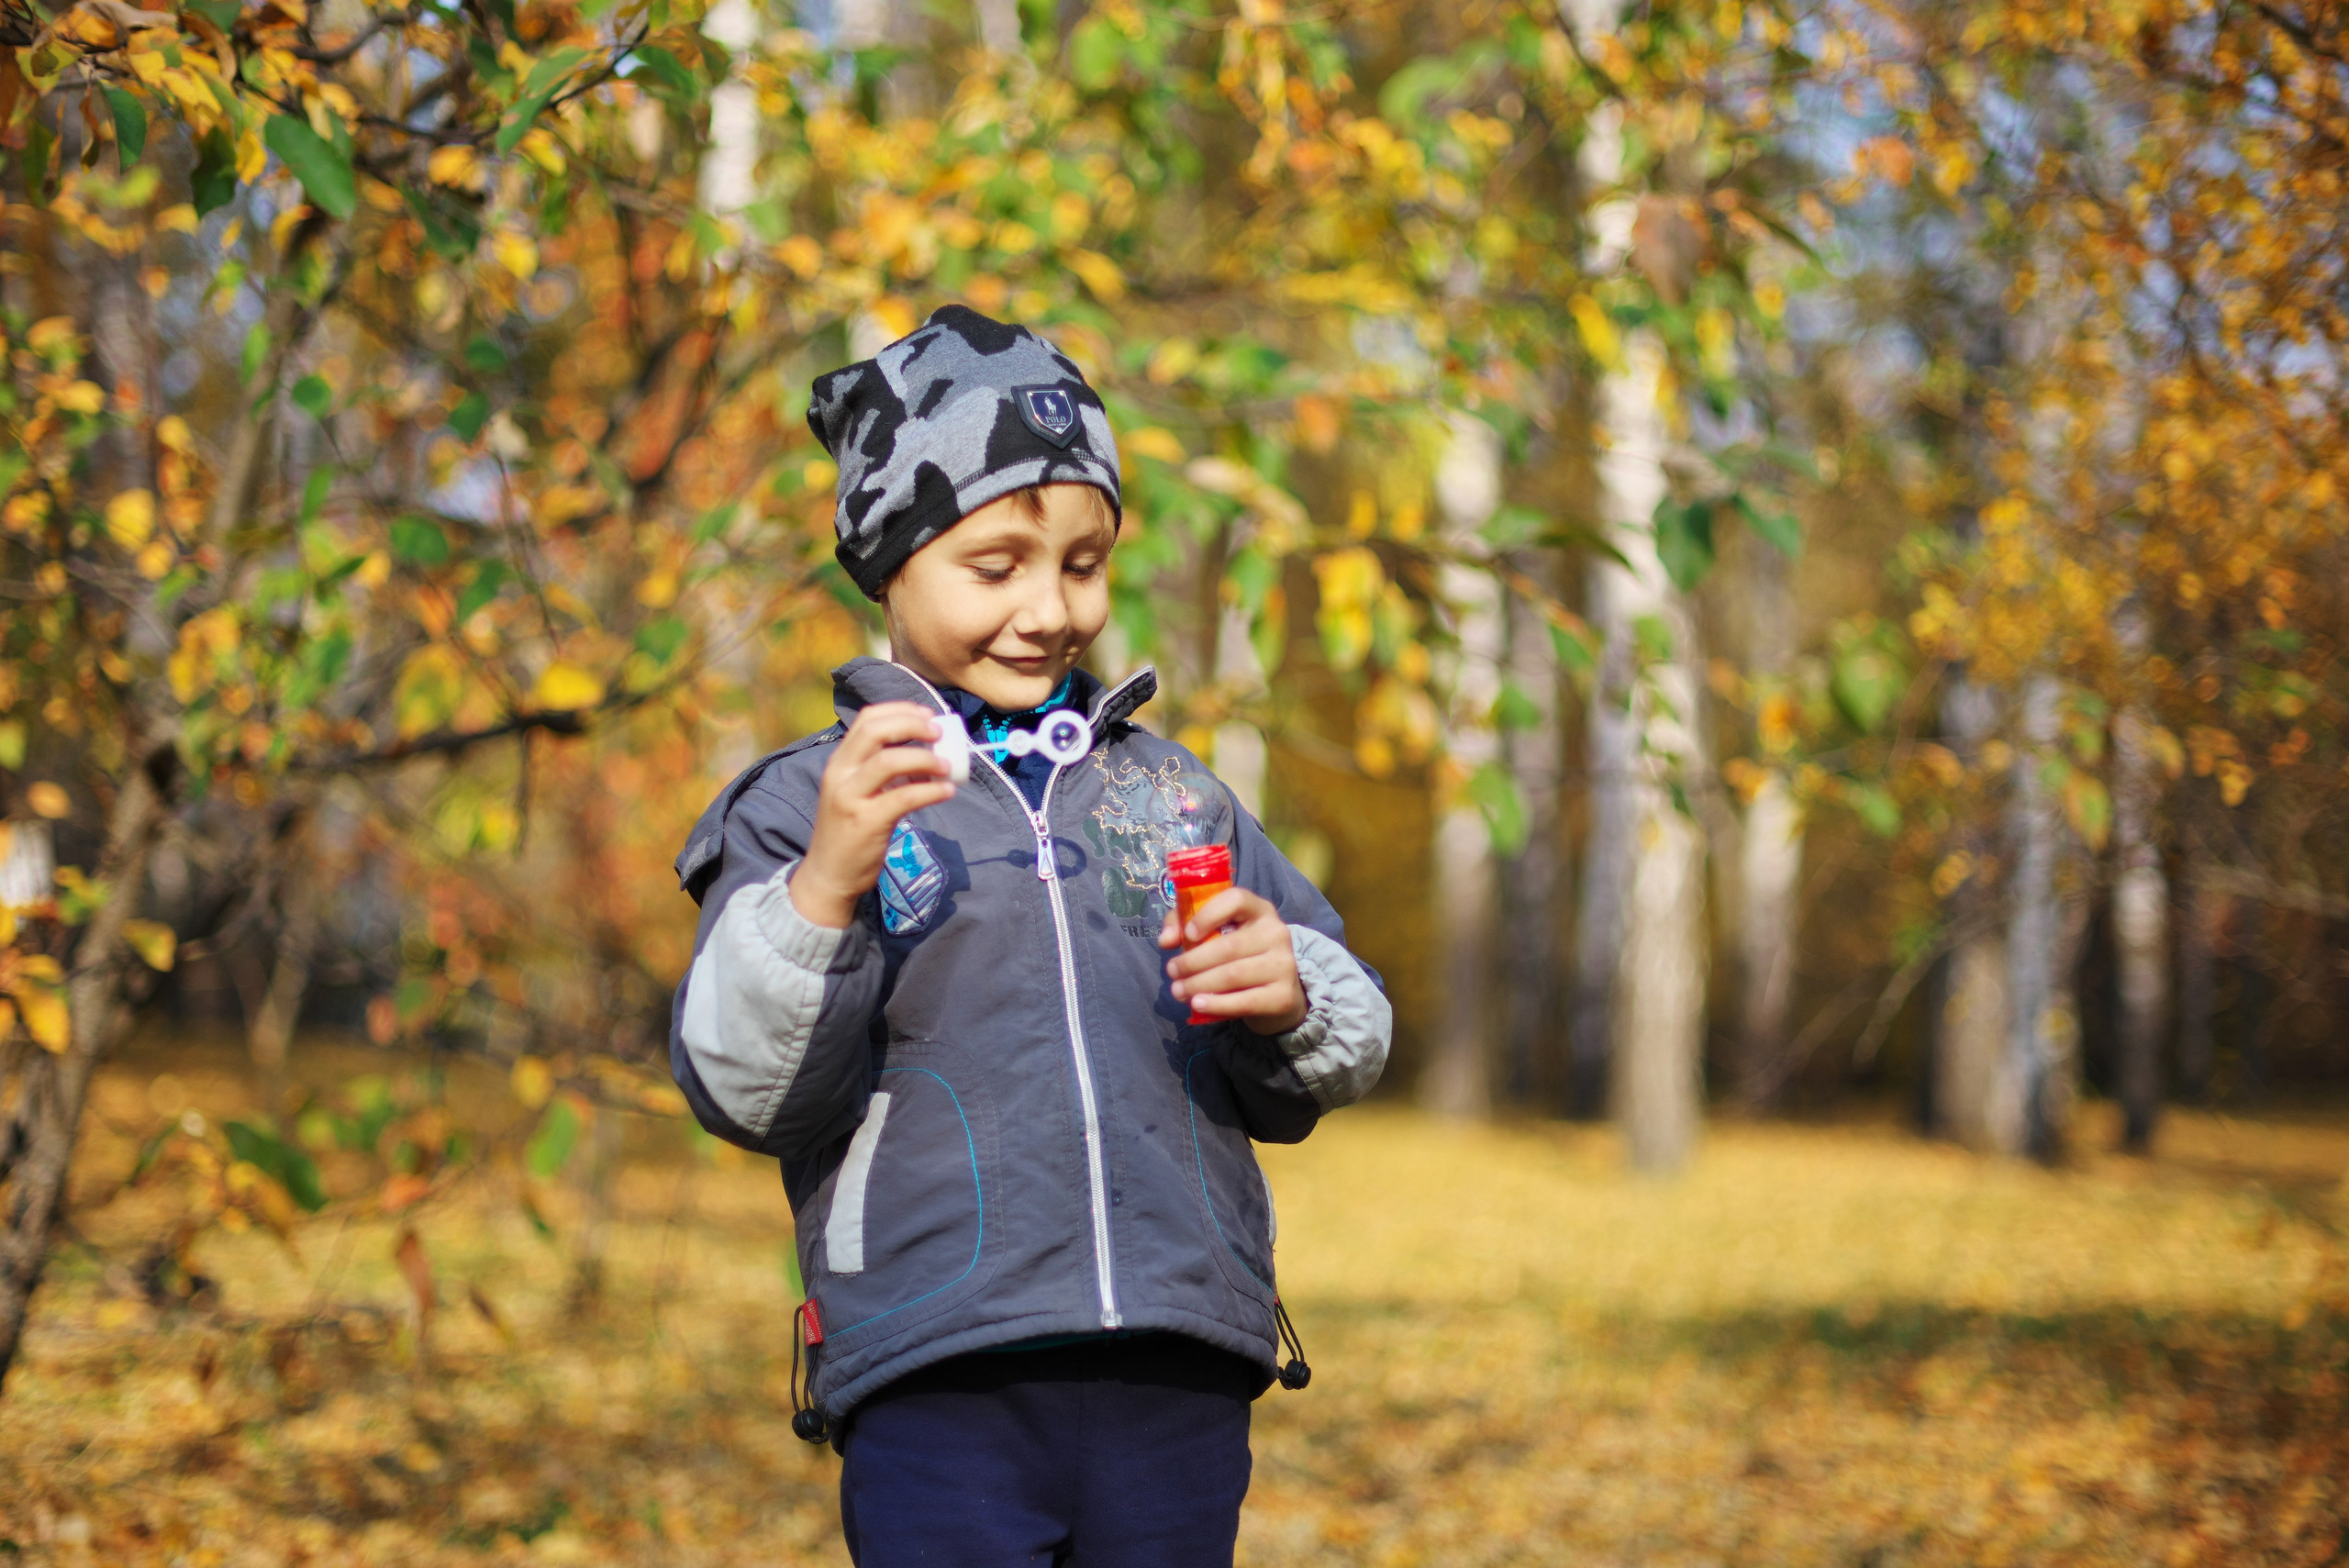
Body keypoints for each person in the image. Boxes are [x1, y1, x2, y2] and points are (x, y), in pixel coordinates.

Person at [668, 305, 1392, 1568]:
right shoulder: (808, 802)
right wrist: (829, 882)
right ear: (887, 562)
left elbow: (1346, 1026)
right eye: (995, 567)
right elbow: (746, 1084)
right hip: (941, 1377)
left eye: (1084, 560)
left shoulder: (1169, 795)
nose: (1050, 608)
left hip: (1179, 1372)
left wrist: (1293, 992)